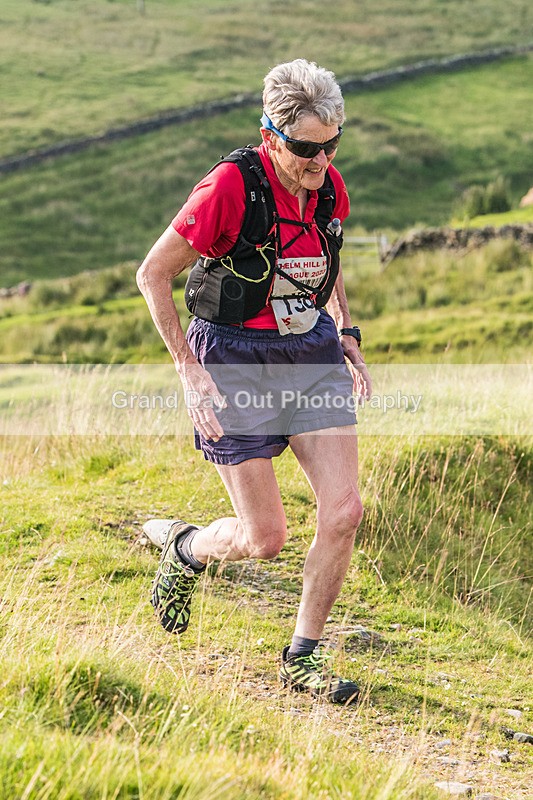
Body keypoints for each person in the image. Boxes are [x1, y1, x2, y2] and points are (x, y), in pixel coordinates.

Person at [137, 59, 372, 704]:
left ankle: (302, 657)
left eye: (331, 145)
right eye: (305, 149)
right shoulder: (228, 189)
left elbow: (329, 253)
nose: (319, 161)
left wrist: (346, 331)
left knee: (345, 510)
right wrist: (188, 372)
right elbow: (152, 274)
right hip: (234, 355)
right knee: (264, 539)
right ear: (271, 134)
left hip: (310, 352)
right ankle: (186, 549)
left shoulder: (327, 185)